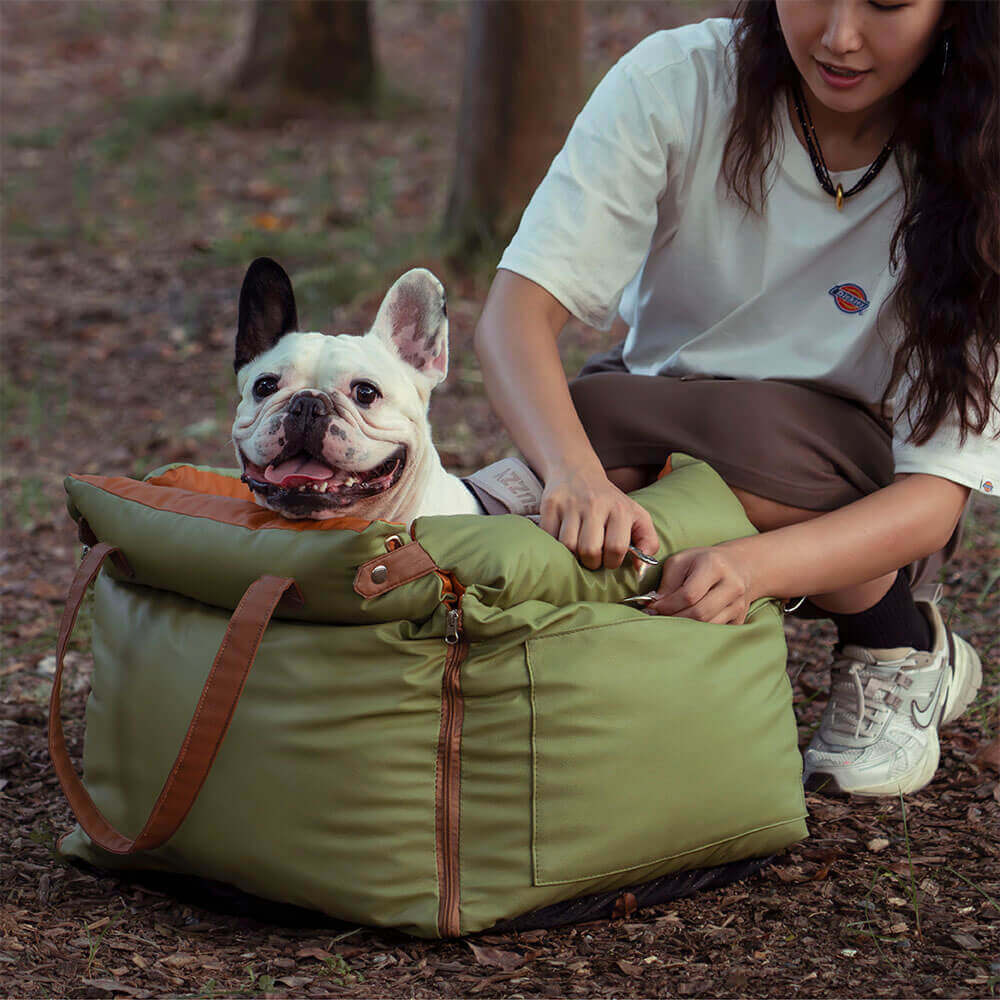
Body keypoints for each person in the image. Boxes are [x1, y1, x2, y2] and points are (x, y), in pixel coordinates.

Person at [473, 0, 998, 797]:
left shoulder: (983, 154)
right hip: (650, 417)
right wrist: (572, 475)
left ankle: (896, 644)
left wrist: (750, 568)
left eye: (887, 3)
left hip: (861, 483)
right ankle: (588, 485)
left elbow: (932, 501)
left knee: (636, 423)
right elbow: (516, 314)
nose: (840, 36)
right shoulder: (678, 80)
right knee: (589, 426)